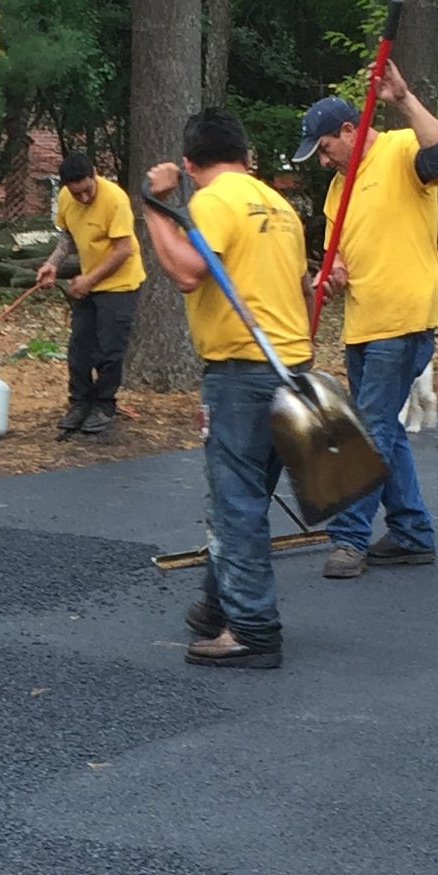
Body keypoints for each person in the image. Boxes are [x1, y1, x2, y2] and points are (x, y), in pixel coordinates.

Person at [140, 105, 310, 670]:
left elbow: (188, 272)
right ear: (244, 155)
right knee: (248, 494)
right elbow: (304, 287)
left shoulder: (212, 202)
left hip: (241, 372)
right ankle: (218, 605)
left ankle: (254, 629)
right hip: (290, 365)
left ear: (190, 164)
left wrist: (155, 207)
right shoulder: (280, 206)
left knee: (236, 503)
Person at [299, 63, 438, 576]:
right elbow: (341, 258)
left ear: (350, 130)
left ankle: (349, 538)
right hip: (362, 324)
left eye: (325, 148)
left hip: (404, 318)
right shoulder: (337, 191)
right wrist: (334, 273)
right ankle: (412, 532)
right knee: (384, 429)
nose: (323, 160)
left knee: (368, 433)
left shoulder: (400, 150)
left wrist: (405, 98)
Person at [33, 149, 144, 436]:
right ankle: (80, 403)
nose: (83, 198)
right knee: (79, 347)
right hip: (88, 283)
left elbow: (123, 250)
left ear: (94, 174)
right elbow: (68, 237)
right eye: (76, 193)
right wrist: (52, 264)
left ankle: (104, 405)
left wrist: (89, 280)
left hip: (120, 284)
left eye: (87, 190)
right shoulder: (65, 198)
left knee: (110, 349)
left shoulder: (115, 199)